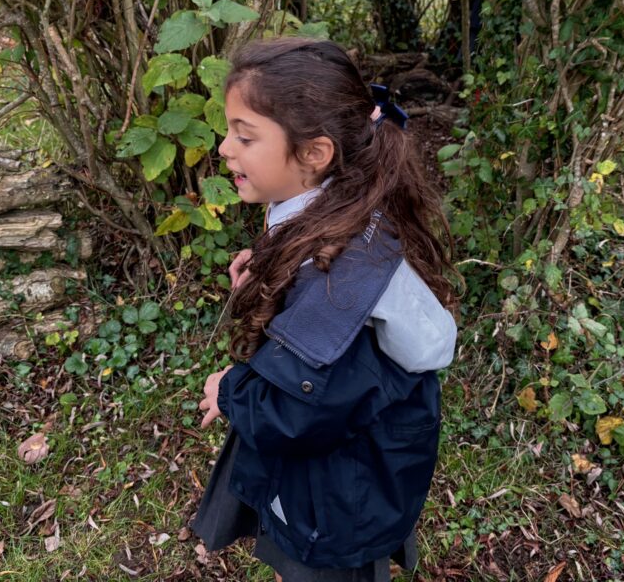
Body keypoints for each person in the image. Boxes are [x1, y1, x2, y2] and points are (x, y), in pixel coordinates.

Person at [192, 38, 459, 582]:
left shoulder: (339, 275)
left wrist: (230, 391)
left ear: (314, 153)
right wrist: (268, 267)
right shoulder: (334, 198)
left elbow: (299, 412)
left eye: (244, 136)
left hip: (340, 494)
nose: (224, 148)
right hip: (336, 472)